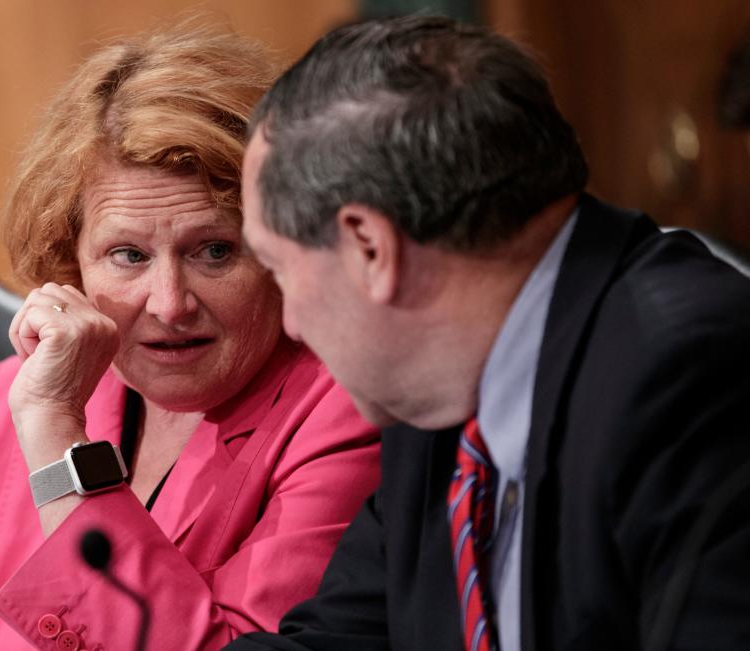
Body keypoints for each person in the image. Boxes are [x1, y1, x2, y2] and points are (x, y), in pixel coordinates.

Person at [0, 23, 381, 650]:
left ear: (281, 248)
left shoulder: (340, 412)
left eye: (214, 250)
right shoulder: (13, 394)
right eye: (128, 255)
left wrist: (55, 435)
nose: (170, 303)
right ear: (70, 262)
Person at [230, 14, 750, 651]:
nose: (290, 322)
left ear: (369, 246)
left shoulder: (689, 374)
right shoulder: (437, 391)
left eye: (280, 270)